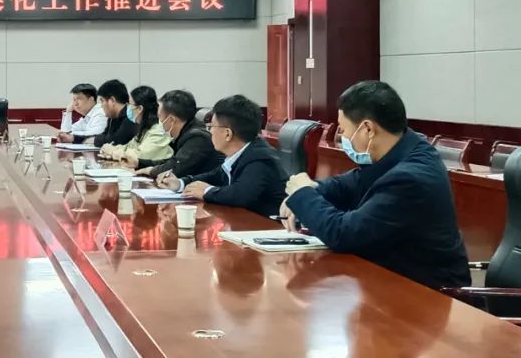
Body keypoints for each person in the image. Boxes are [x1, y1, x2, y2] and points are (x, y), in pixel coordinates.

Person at [279, 81, 470, 288]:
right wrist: (310, 190)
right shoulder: (399, 151)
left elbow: (344, 234)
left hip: (427, 293)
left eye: (343, 130)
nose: (342, 137)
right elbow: (346, 185)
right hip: (391, 280)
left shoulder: (410, 178)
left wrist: (303, 193)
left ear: (368, 129)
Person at [157, 95, 287, 217]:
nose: (210, 132)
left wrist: (207, 192)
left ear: (227, 134)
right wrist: (180, 183)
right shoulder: (241, 153)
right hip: (246, 223)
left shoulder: (260, 159)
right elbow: (215, 176)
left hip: (270, 227)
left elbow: (240, 195)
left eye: (211, 127)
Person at [124, 90, 223, 179]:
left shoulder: (198, 138)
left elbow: (176, 169)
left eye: (160, 117)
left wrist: (150, 171)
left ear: (171, 120)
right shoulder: (186, 132)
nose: (159, 122)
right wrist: (139, 163)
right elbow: (172, 162)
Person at [100, 85, 173, 161]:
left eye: (130, 104)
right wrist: (112, 148)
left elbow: (139, 155)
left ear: (139, 108)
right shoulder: (144, 127)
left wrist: (113, 152)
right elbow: (128, 147)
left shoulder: (158, 131)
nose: (127, 108)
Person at [84, 79, 136, 148]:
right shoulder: (113, 117)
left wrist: (95, 140)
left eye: (102, 101)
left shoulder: (130, 117)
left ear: (112, 100)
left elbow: (116, 140)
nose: (101, 105)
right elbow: (104, 135)